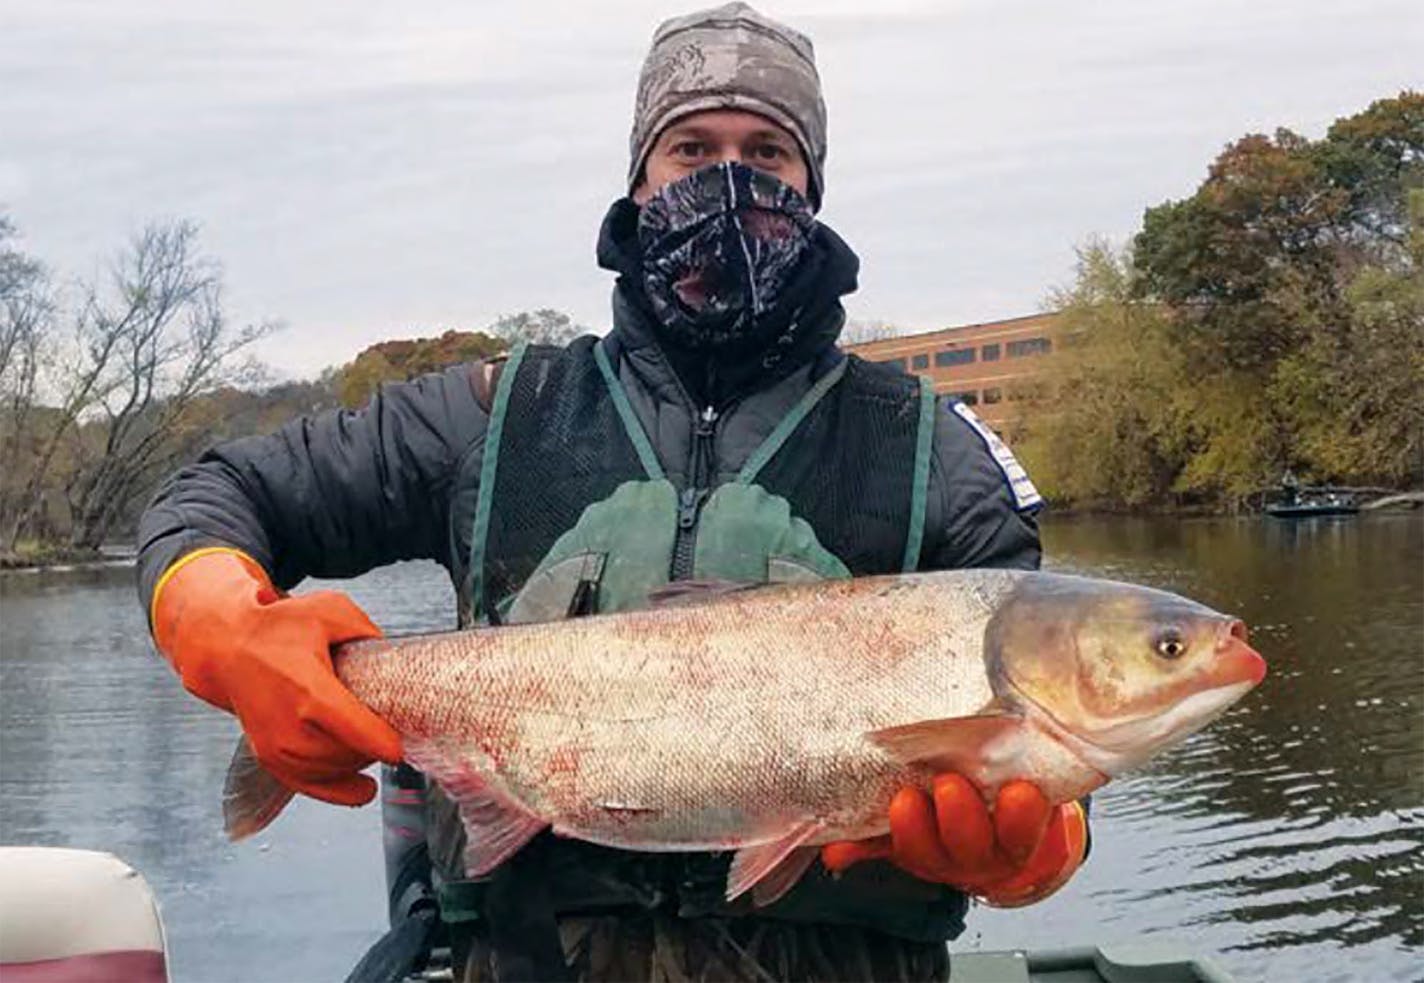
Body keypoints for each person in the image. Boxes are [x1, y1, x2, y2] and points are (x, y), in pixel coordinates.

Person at [136, 4, 1089, 980]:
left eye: (767, 149)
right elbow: (221, 490)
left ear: (812, 185)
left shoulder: (934, 448)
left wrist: (1033, 851)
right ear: (638, 181)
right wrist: (229, 627)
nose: (730, 176)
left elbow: (1051, 732)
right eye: (690, 147)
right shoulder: (493, 413)